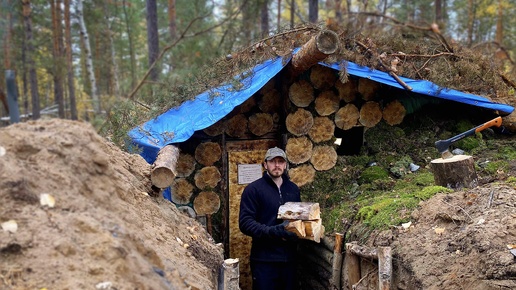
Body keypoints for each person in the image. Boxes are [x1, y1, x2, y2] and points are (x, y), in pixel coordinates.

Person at [239, 147, 301, 290]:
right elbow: (245, 222)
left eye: (280, 161)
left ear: (285, 165)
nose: (277, 165)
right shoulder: (253, 190)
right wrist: (273, 231)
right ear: (265, 164)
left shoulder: (293, 189)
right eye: (272, 162)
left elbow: (297, 218)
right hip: (264, 260)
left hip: (289, 259)